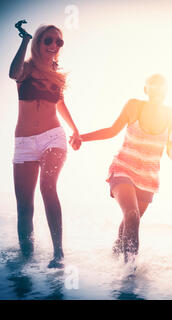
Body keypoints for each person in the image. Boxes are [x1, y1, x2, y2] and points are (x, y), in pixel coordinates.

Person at [75, 74, 172, 263]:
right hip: (123, 168)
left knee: (130, 221)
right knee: (132, 215)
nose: (159, 91)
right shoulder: (134, 106)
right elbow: (112, 131)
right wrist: (81, 137)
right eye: (154, 86)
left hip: (149, 177)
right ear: (146, 90)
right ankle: (130, 271)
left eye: (163, 88)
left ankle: (114, 258)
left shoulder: (171, 114)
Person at [9, 23, 81, 268]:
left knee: (48, 186)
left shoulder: (56, 75)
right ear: (38, 42)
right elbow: (12, 73)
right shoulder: (25, 69)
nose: (54, 46)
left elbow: (60, 104)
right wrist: (23, 41)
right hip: (24, 143)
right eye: (48, 40)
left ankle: (58, 254)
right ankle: (25, 259)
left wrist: (75, 130)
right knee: (24, 205)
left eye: (59, 42)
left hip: (53, 137)